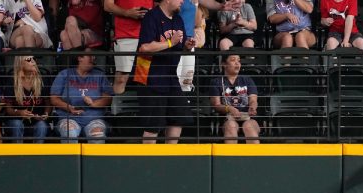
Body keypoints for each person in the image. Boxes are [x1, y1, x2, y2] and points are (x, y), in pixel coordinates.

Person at [133, 0, 196, 144]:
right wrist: (170, 43)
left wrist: (187, 45)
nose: (182, 1)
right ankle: (150, 163)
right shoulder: (151, 16)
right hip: (150, 77)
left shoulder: (178, 19)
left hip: (170, 77)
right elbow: (144, 47)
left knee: (178, 117)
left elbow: (180, 43)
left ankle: (170, 157)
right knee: (153, 125)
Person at [50, 49, 113, 143]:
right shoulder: (64, 74)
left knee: (97, 134)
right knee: (69, 133)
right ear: (80, 58)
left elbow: (108, 99)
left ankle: (95, 158)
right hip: (69, 118)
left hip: (94, 119)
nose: (93, 58)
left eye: (94, 56)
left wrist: (93, 103)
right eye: (90, 55)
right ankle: (71, 158)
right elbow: (54, 99)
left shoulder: (100, 75)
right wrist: (69, 108)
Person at [103, 0, 152, 94]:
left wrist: (152, 12)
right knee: (122, 77)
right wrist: (127, 13)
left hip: (148, 34)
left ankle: (145, 108)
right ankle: (117, 107)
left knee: (145, 77)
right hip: (125, 34)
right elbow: (107, 5)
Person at [209, 53, 260, 143]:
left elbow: (253, 100)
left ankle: (255, 156)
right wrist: (229, 109)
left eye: (239, 61)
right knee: (231, 127)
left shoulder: (247, 79)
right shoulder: (216, 82)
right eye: (233, 60)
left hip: (248, 117)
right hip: (228, 118)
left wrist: (253, 107)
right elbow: (216, 105)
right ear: (223, 64)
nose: (237, 63)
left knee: (249, 127)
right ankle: (230, 157)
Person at [4, 55, 51, 142]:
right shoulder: (12, 81)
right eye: (29, 59)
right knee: (16, 124)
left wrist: (45, 114)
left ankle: (37, 153)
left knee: (42, 125)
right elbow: (8, 109)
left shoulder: (42, 79)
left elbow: (48, 103)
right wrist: (19, 112)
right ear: (21, 63)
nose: (33, 61)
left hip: (36, 121)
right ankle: (19, 154)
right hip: (16, 120)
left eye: (34, 58)